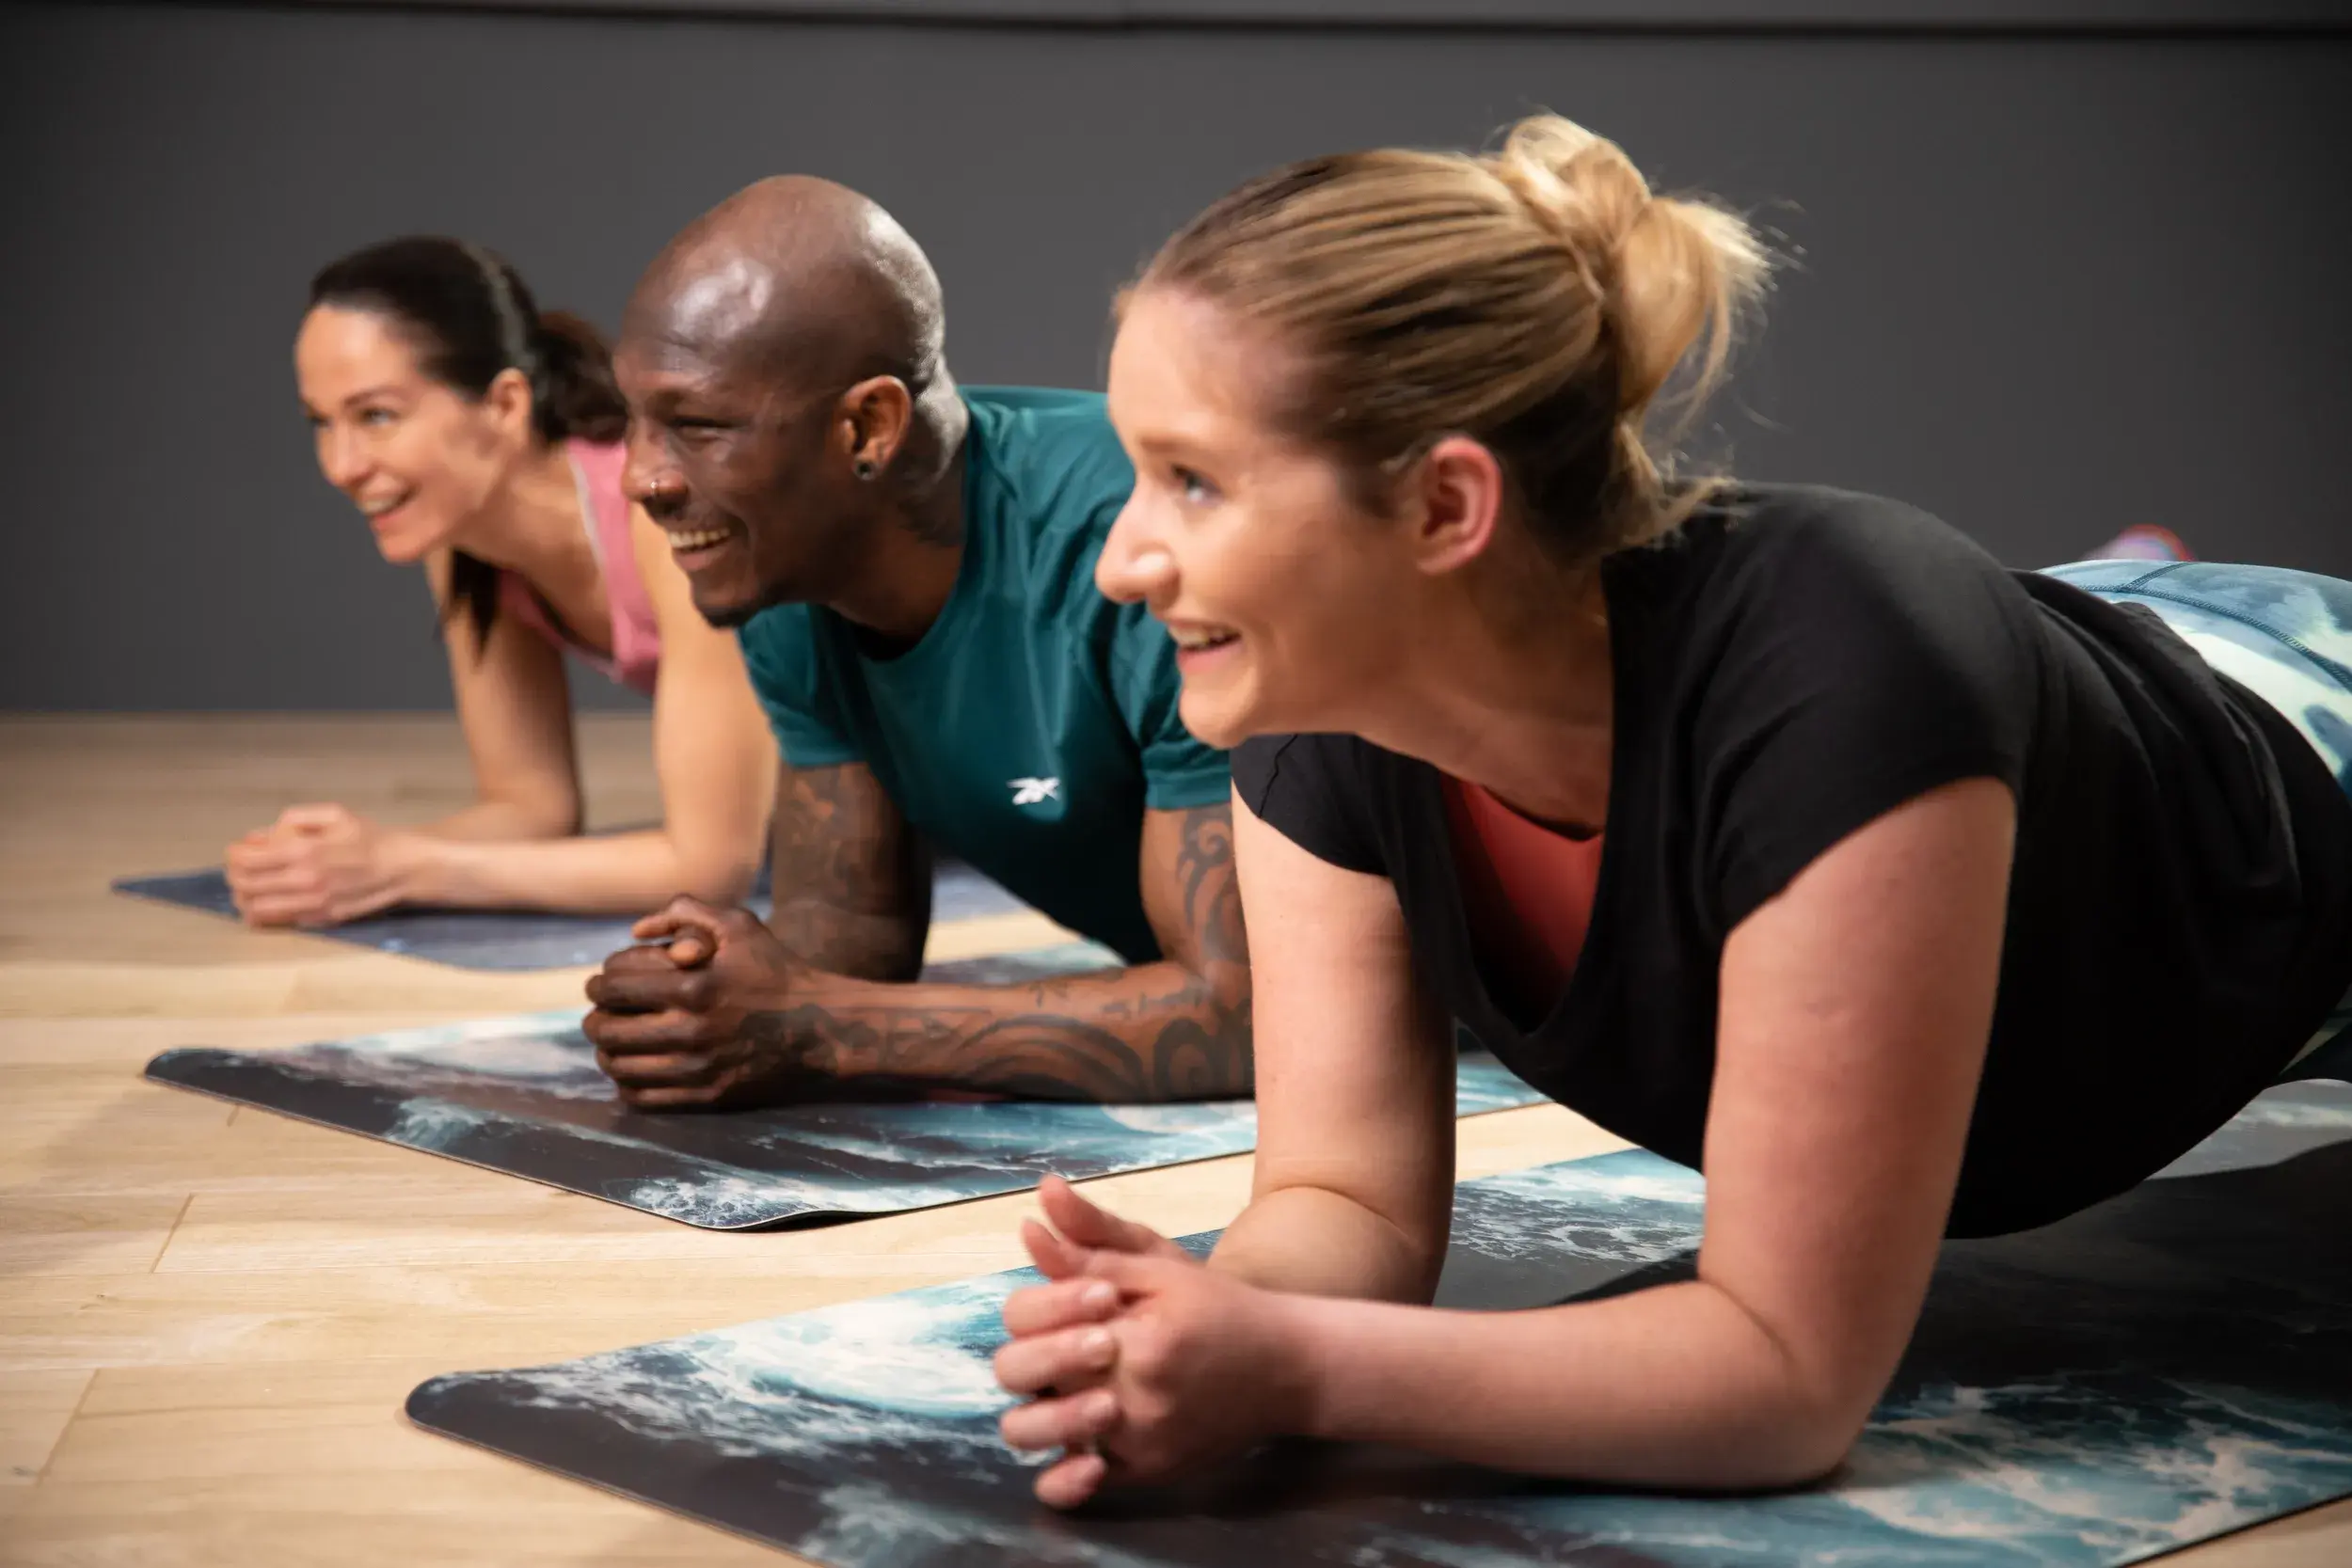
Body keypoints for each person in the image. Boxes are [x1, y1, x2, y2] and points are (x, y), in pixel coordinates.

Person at [989, 117, 2352, 1506]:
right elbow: (1342, 1198)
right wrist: (1193, 1327)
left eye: (1193, 480)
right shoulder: (1318, 707)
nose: (1120, 562)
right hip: (2070, 681)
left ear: (1446, 506)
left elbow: (1784, 1380)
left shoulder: (1846, 666)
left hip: (2295, 735)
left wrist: (1294, 1367)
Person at [578, 178, 1251, 1109]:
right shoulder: (786, 574)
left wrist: (818, 1023)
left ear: (867, 427)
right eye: (636, 422)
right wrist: (708, 1000)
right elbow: (847, 945)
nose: (640, 479)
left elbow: (1249, 1017)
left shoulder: (1143, 555)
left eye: (696, 427)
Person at [229, 237, 776, 925]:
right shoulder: (464, 540)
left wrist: (407, 867)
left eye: (377, 416)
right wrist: (351, 859)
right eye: (322, 422)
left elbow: (710, 867)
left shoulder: (665, 513)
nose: (341, 466)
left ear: (506, 404)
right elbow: (532, 806)